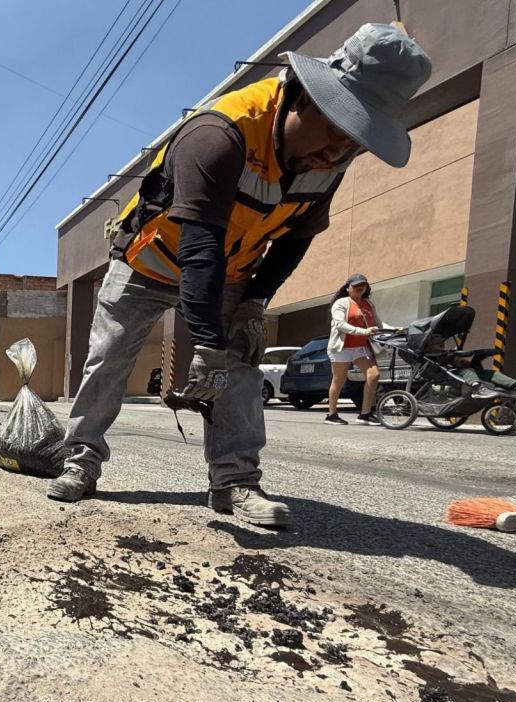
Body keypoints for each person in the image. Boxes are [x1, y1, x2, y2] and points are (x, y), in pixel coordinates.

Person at [47, 23, 432, 530]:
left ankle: (235, 481)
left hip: (230, 271)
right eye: (339, 130)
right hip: (149, 261)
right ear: (305, 98)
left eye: (354, 141)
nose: (337, 153)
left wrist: (254, 305)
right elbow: (200, 246)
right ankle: (81, 460)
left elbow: (295, 239)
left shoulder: (326, 163)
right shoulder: (219, 132)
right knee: (110, 357)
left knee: (243, 363)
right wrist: (207, 343)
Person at [325, 273, 391, 425]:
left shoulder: (368, 304)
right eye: (355, 285)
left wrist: (394, 329)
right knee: (339, 380)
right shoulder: (341, 303)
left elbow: (379, 325)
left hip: (361, 347)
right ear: (348, 288)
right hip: (342, 347)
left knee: (374, 375)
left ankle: (365, 414)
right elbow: (340, 324)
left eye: (363, 284)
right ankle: (332, 414)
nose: (359, 287)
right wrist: (363, 331)